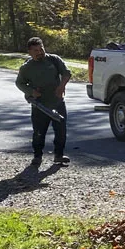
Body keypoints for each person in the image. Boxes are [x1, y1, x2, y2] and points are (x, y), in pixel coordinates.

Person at [15, 37, 72, 166]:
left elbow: (67, 73)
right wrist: (31, 92)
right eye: (36, 50)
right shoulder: (26, 67)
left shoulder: (53, 59)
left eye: (41, 49)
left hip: (57, 102)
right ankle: (37, 156)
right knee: (39, 132)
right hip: (39, 105)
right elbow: (19, 83)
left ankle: (59, 155)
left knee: (61, 131)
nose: (40, 52)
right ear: (30, 52)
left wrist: (61, 86)